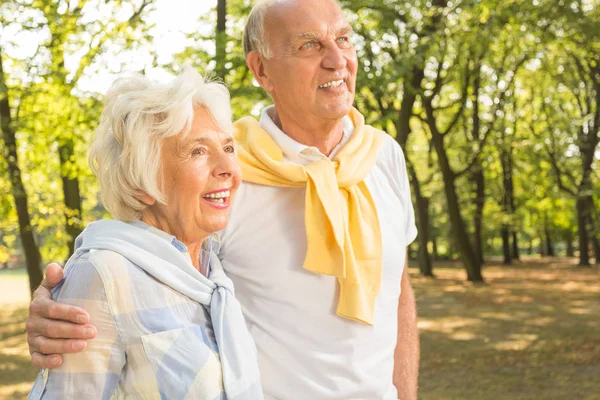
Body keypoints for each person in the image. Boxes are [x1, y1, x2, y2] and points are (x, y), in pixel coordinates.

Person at [26, 0, 420, 399]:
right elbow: (140, 257)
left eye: (343, 39)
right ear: (261, 69)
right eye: (309, 46)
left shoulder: (385, 156)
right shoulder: (230, 179)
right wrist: (63, 309)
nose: (337, 60)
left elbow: (398, 292)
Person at [28, 69, 262, 399]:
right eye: (197, 151)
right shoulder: (102, 275)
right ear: (142, 183)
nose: (227, 168)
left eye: (228, 147)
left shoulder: (215, 270)